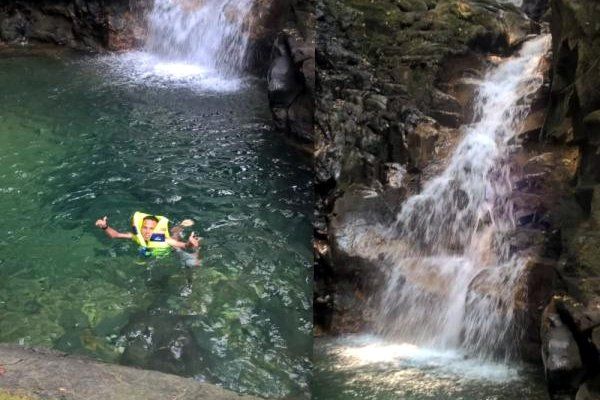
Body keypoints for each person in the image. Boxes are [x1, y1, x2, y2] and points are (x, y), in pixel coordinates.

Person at [95, 212, 200, 263]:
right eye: (145, 228)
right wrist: (105, 227)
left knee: (175, 239)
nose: (147, 231)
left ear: (156, 229)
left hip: (169, 250)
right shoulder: (136, 237)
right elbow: (115, 235)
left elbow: (183, 245)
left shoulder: (163, 239)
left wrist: (190, 243)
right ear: (140, 228)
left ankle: (181, 226)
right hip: (151, 253)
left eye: (151, 228)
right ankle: (179, 227)